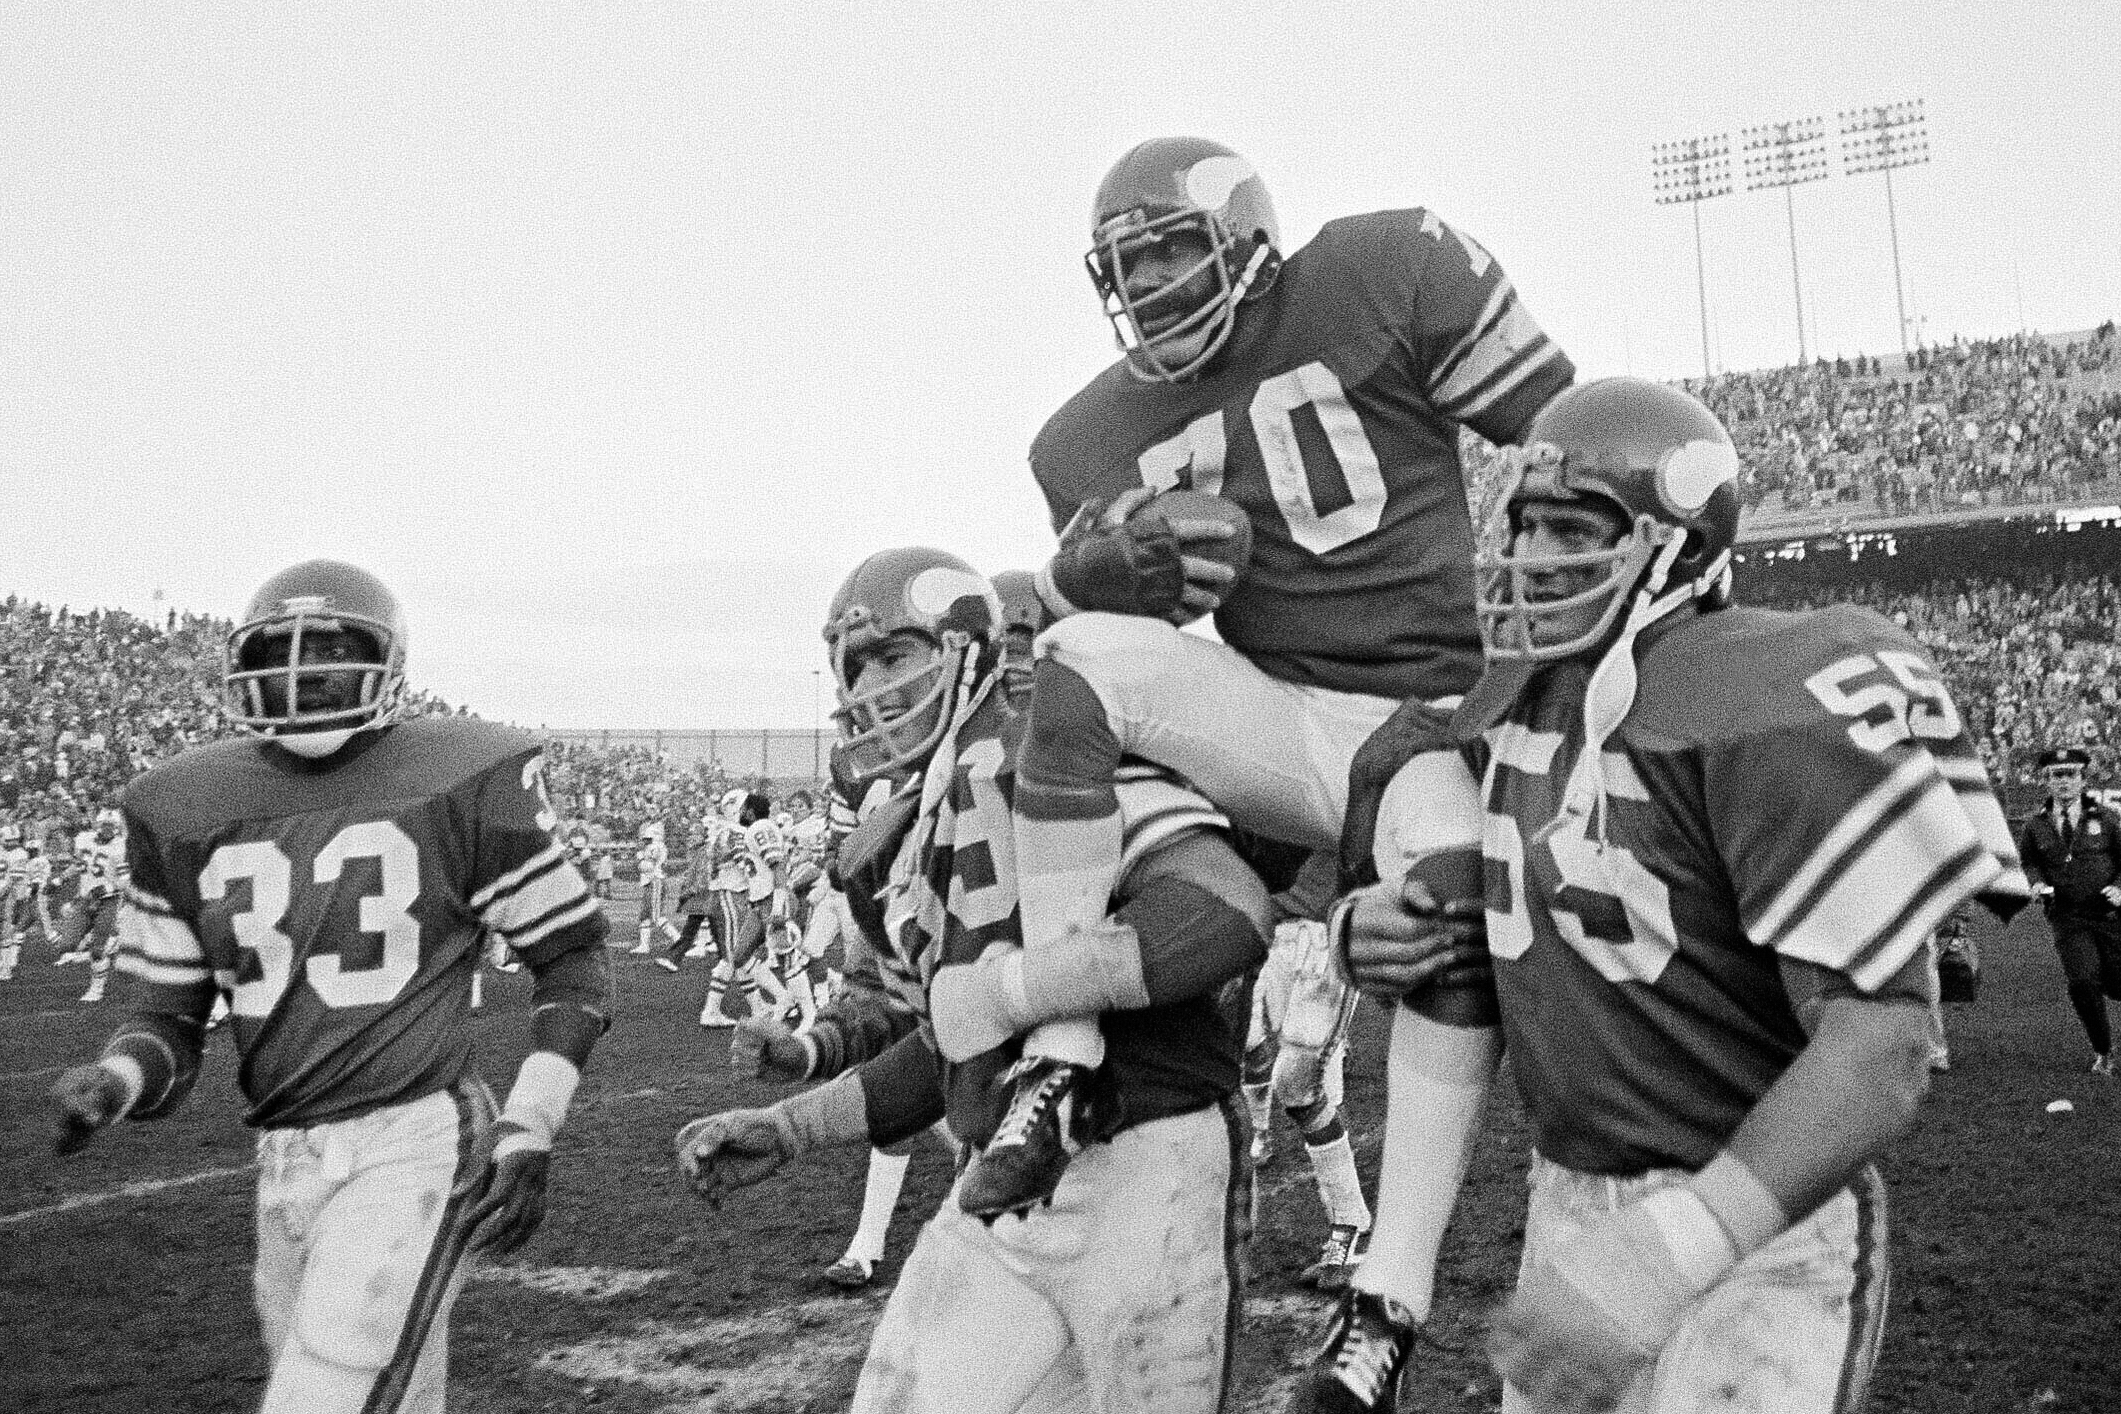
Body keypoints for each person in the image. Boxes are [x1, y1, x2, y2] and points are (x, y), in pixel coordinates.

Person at [1307, 379, 2028, 1413]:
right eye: (1526, 523)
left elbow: (1884, 1046)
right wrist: (1359, 931)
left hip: (1761, 1217)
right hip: (1569, 1206)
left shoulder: (1766, 695)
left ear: (1682, 548)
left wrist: (1679, 1244)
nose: (1534, 555)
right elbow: (1442, 894)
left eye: (1573, 528)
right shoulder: (1500, 706)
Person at [980, 136, 1574, 1238]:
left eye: (1167, 250)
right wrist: (1080, 578)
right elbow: (1033, 623)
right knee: (1072, 668)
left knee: (1451, 916)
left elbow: (1569, 448)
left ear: (1248, 242)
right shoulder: (1082, 439)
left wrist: (1543, 681)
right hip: (1282, 715)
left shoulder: (1381, 268)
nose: (1148, 286)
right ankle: (1061, 1057)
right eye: (1128, 269)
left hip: (1439, 716)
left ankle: (1391, 1276)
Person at [675, 546, 1277, 1411]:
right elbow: (943, 1038)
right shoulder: (893, 833)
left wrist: (1017, 991)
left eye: (894, 655)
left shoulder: (1055, 744)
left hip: (1146, 1162)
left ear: (968, 648)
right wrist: (795, 1117)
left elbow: (1220, 908)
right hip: (1000, 1184)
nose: (870, 687)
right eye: (856, 666)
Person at [46, 559, 612, 1414]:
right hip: (284, 1156)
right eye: (281, 654)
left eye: (332, 653)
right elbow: (169, 1019)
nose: (304, 676)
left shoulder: (461, 776)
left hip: (416, 1137)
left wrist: (531, 1125)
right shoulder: (180, 806)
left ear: (387, 665)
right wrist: (117, 1081)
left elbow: (571, 956)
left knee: (321, 1400)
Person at [1243, 850, 1371, 1292]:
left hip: (1326, 937)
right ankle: (1258, 1137)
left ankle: (1351, 1225)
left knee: (1296, 1085)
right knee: (1243, 1053)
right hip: (1267, 931)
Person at [2015, 745, 2121, 1073]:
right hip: (2067, 917)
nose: (2063, 782)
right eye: (2056, 776)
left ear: (2082, 779)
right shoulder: (2035, 825)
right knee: (2083, 981)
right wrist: (2035, 882)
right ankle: (2103, 1052)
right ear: (2046, 780)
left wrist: (2120, 887)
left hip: (2110, 916)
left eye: (2070, 775)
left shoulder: (2106, 818)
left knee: (2117, 982)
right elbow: (2029, 862)